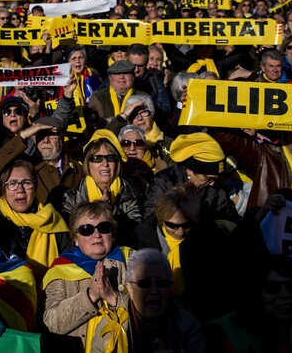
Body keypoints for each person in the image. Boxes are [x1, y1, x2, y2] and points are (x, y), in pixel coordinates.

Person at [0, 138, 71, 278]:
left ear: (35, 188)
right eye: (12, 183)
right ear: (2, 190)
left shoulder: (53, 221)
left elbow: (68, 265)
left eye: (26, 182)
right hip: (1, 292)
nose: (20, 190)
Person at [134, 187, 235, 322]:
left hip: (201, 312)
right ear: (161, 219)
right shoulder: (146, 238)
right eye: (172, 225)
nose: (180, 232)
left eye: (186, 225)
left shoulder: (201, 232)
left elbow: (217, 257)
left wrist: (197, 218)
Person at [43, 201, 129, 353]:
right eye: (86, 229)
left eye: (104, 228)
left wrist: (113, 298)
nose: (96, 235)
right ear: (75, 238)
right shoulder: (60, 267)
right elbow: (52, 323)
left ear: (113, 233)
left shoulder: (132, 260)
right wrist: (90, 296)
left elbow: (149, 313)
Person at [65, 130, 146, 246]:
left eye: (111, 158)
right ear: (88, 163)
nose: (105, 163)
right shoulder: (71, 198)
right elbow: (70, 237)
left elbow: (136, 234)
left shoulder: (131, 193)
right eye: (97, 158)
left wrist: (111, 210)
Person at [124, 248, 206, 352]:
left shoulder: (189, 328)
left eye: (162, 283)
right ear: (129, 289)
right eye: (145, 283)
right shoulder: (111, 327)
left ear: (171, 287)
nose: (154, 291)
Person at [145, 133, 239, 222]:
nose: (212, 183)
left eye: (215, 178)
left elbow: (228, 216)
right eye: (207, 178)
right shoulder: (163, 183)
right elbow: (152, 222)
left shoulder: (215, 187)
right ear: (190, 170)